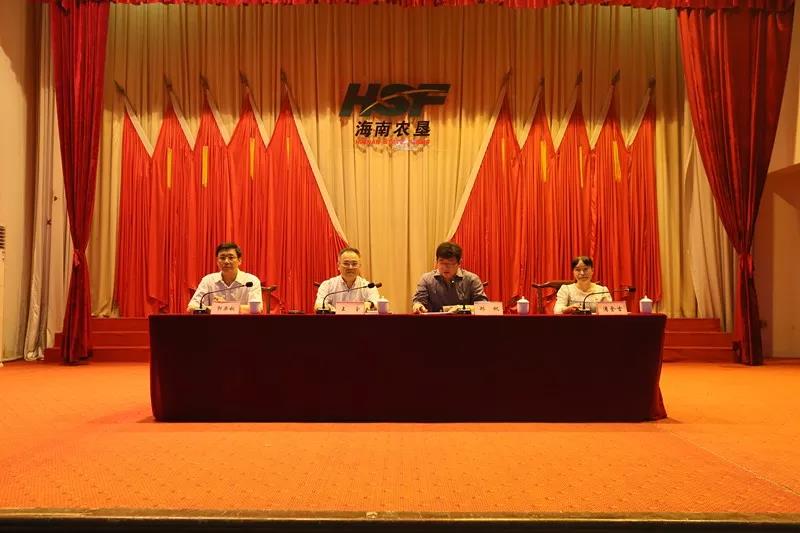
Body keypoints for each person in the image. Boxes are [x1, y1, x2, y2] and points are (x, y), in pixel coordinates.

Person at [412, 241, 488, 313]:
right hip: (434, 321)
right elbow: (418, 301)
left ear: (459, 262)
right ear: (437, 261)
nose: (445, 267)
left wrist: (460, 308)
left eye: (450, 263)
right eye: (442, 262)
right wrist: (418, 306)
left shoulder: (472, 279)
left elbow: (483, 306)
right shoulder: (426, 279)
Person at [187, 242, 262, 312]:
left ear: (239, 260)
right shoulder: (208, 280)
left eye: (231, 258)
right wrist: (214, 308)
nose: (226, 261)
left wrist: (225, 306)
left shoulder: (251, 281)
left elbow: (257, 308)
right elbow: (191, 307)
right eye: (222, 258)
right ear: (217, 261)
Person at [314, 247, 380, 312]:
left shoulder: (368, 286)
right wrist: (329, 308)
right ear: (338, 266)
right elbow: (319, 305)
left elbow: (376, 302)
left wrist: (369, 304)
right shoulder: (327, 285)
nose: (350, 267)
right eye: (346, 263)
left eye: (354, 264)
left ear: (359, 266)